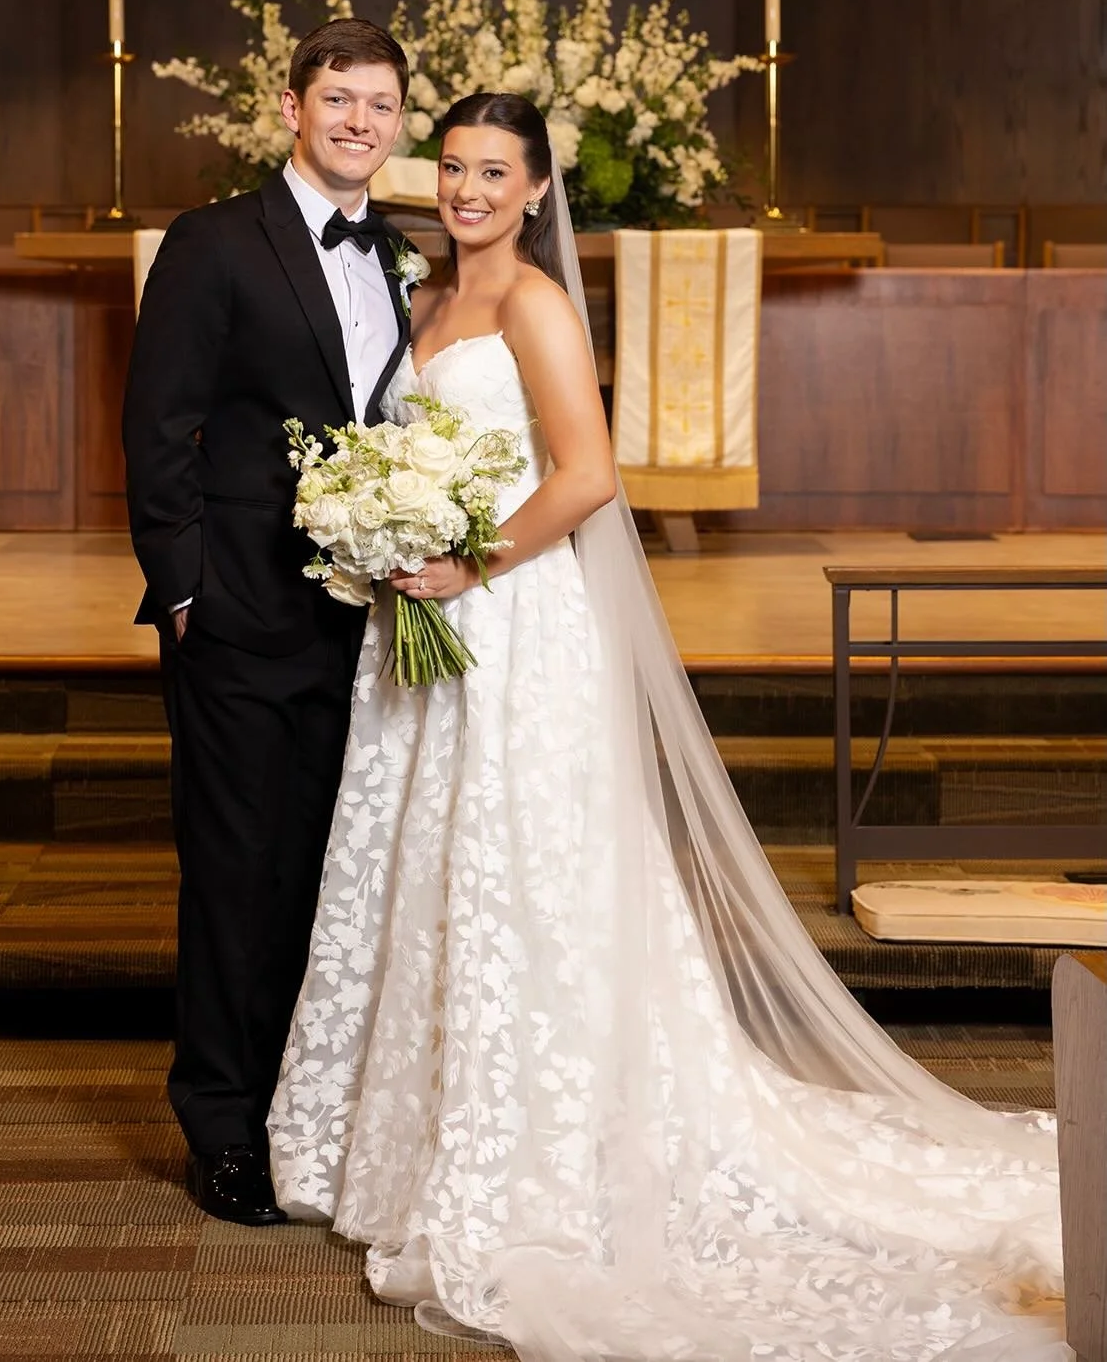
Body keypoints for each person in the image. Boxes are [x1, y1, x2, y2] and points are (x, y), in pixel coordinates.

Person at [268, 92, 1067, 1362]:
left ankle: (554, 1145)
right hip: (427, 633)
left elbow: (587, 475)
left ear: (537, 191)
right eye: (457, 168)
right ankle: (430, 1135)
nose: (469, 190)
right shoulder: (424, 297)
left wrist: (470, 564)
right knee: (437, 872)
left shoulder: (531, 301)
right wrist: (391, 528)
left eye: (495, 173)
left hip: (516, 624)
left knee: (528, 878)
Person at [123, 17, 418, 1227]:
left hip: (362, 621)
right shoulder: (213, 244)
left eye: (381, 105)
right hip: (239, 616)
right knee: (235, 875)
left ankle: (304, 1106)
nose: (359, 121)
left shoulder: (397, 251)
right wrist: (187, 592)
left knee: (321, 870)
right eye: (338, 98)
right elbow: (158, 431)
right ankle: (223, 1127)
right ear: (292, 109)